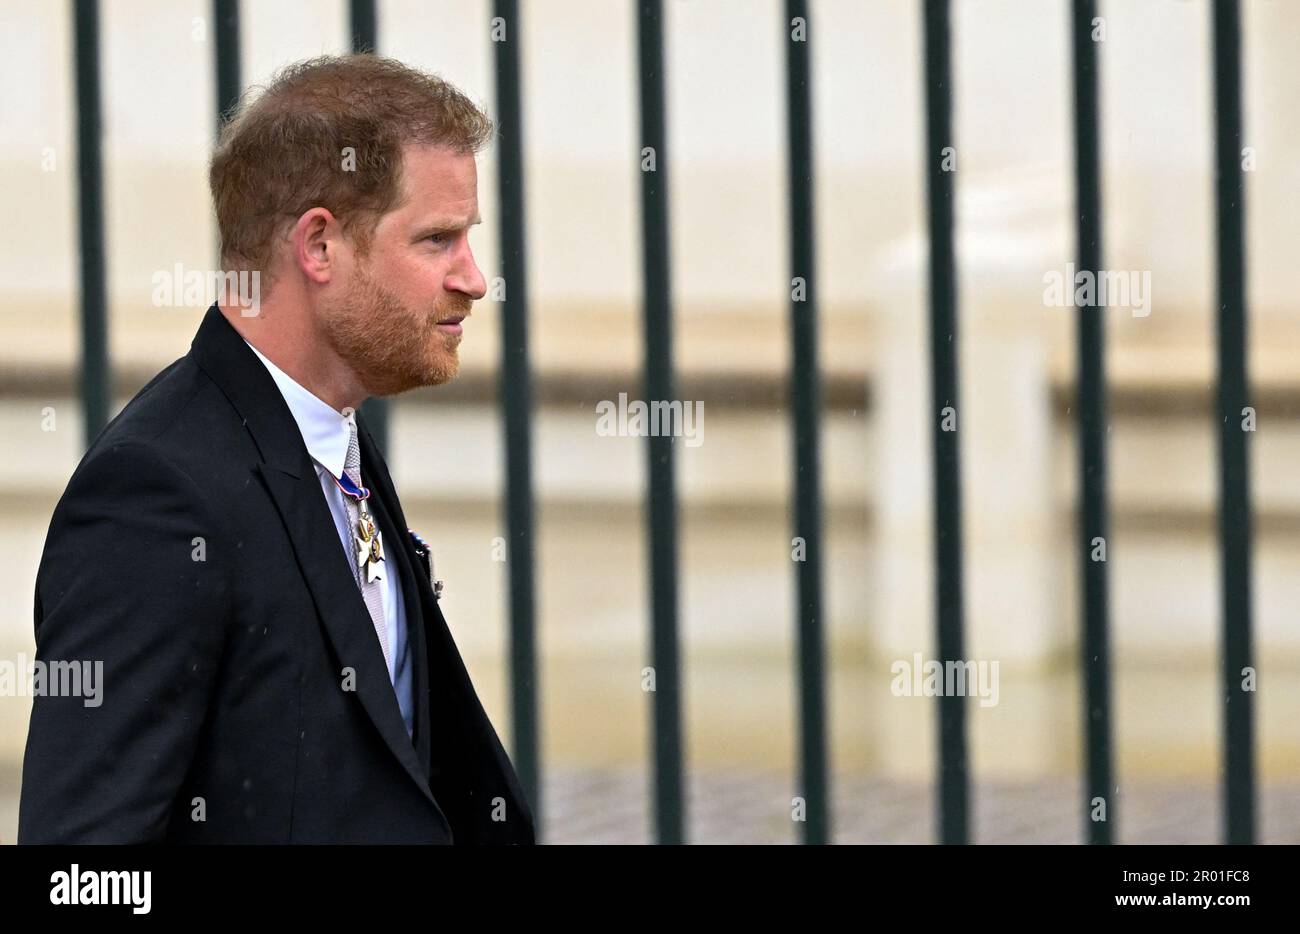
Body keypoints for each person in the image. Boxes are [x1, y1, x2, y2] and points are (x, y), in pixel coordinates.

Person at [18, 55, 534, 843]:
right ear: (318, 246)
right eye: (437, 239)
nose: (474, 278)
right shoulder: (153, 494)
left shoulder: (332, 432)